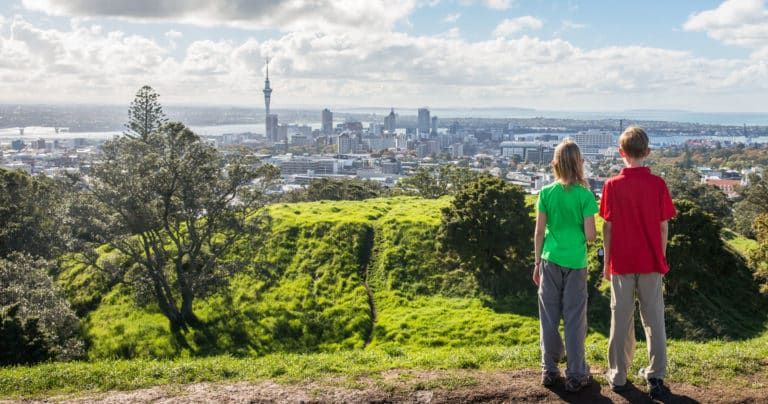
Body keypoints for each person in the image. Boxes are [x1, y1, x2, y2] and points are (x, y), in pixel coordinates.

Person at [600, 126, 676, 401]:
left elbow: (607, 228)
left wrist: (606, 263)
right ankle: (655, 374)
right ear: (648, 152)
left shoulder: (611, 185)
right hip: (651, 260)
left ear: (621, 153)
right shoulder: (658, 185)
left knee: (620, 318)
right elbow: (663, 226)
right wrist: (661, 255)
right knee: (654, 318)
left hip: (621, 261)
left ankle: (618, 374)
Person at [533, 139, 598, 392]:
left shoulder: (546, 193)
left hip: (549, 259)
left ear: (555, 164)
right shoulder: (585, 195)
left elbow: (539, 231)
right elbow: (591, 235)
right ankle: (576, 374)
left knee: (548, 317)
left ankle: (549, 370)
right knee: (574, 319)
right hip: (576, 262)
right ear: (579, 164)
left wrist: (537, 262)